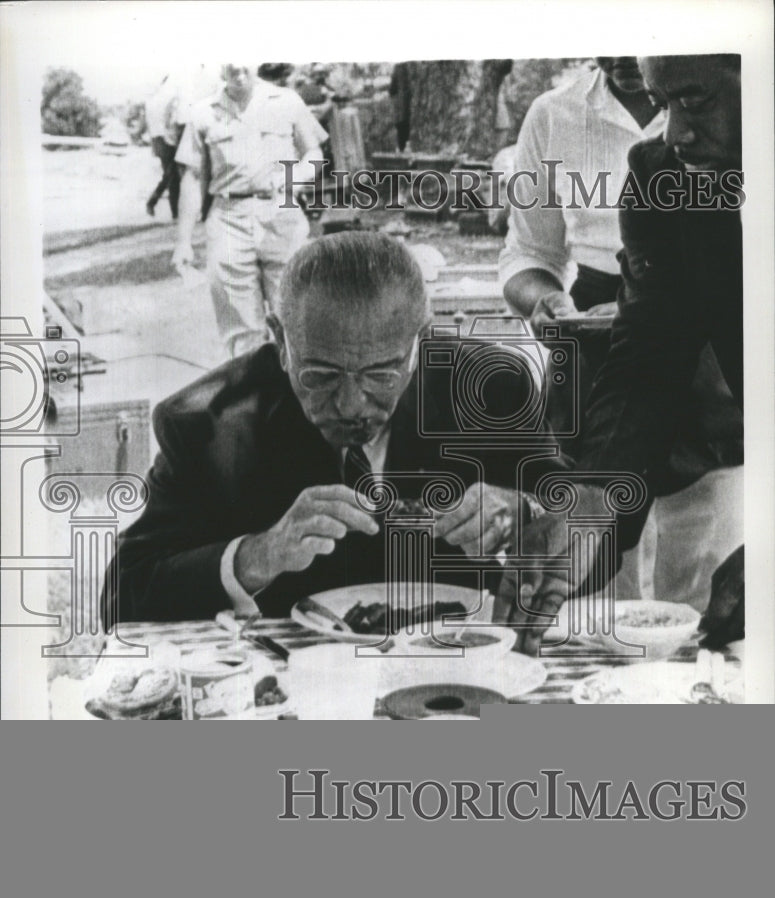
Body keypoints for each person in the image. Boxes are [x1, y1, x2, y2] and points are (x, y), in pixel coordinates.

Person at [102, 233, 563, 627]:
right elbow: (121, 598)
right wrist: (256, 556)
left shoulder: (493, 388)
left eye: (381, 374)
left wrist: (525, 516)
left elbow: (594, 534)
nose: (350, 404)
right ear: (281, 342)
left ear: (421, 340)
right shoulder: (209, 423)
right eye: (320, 375)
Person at [498, 54, 744, 653]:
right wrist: (587, 501)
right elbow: (650, 355)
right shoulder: (661, 171)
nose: (676, 132)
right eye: (665, 105)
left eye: (697, 100)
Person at [173, 65, 327, 358]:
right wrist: (183, 241)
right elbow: (191, 178)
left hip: (281, 215)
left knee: (297, 321)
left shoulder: (287, 101)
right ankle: (253, 398)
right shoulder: (202, 113)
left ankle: (299, 400)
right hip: (228, 219)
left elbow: (314, 154)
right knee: (241, 332)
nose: (237, 66)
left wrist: (292, 177)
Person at [145, 75, 183, 219]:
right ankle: (158, 204)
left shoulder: (150, 101)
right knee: (171, 176)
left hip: (157, 140)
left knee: (170, 175)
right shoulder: (166, 99)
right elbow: (168, 121)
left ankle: (171, 210)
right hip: (166, 140)